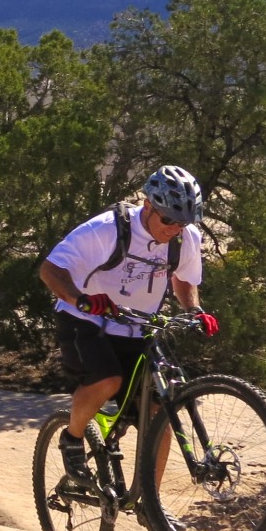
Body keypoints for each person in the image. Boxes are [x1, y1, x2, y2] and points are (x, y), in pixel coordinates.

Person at [37, 165, 219, 495]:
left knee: (160, 414)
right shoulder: (107, 229)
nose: (174, 229)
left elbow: (184, 279)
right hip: (86, 319)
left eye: (182, 222)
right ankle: (72, 438)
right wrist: (81, 300)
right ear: (148, 205)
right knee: (108, 379)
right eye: (168, 219)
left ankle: (151, 505)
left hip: (136, 325)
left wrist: (195, 311)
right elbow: (50, 270)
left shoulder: (184, 238)